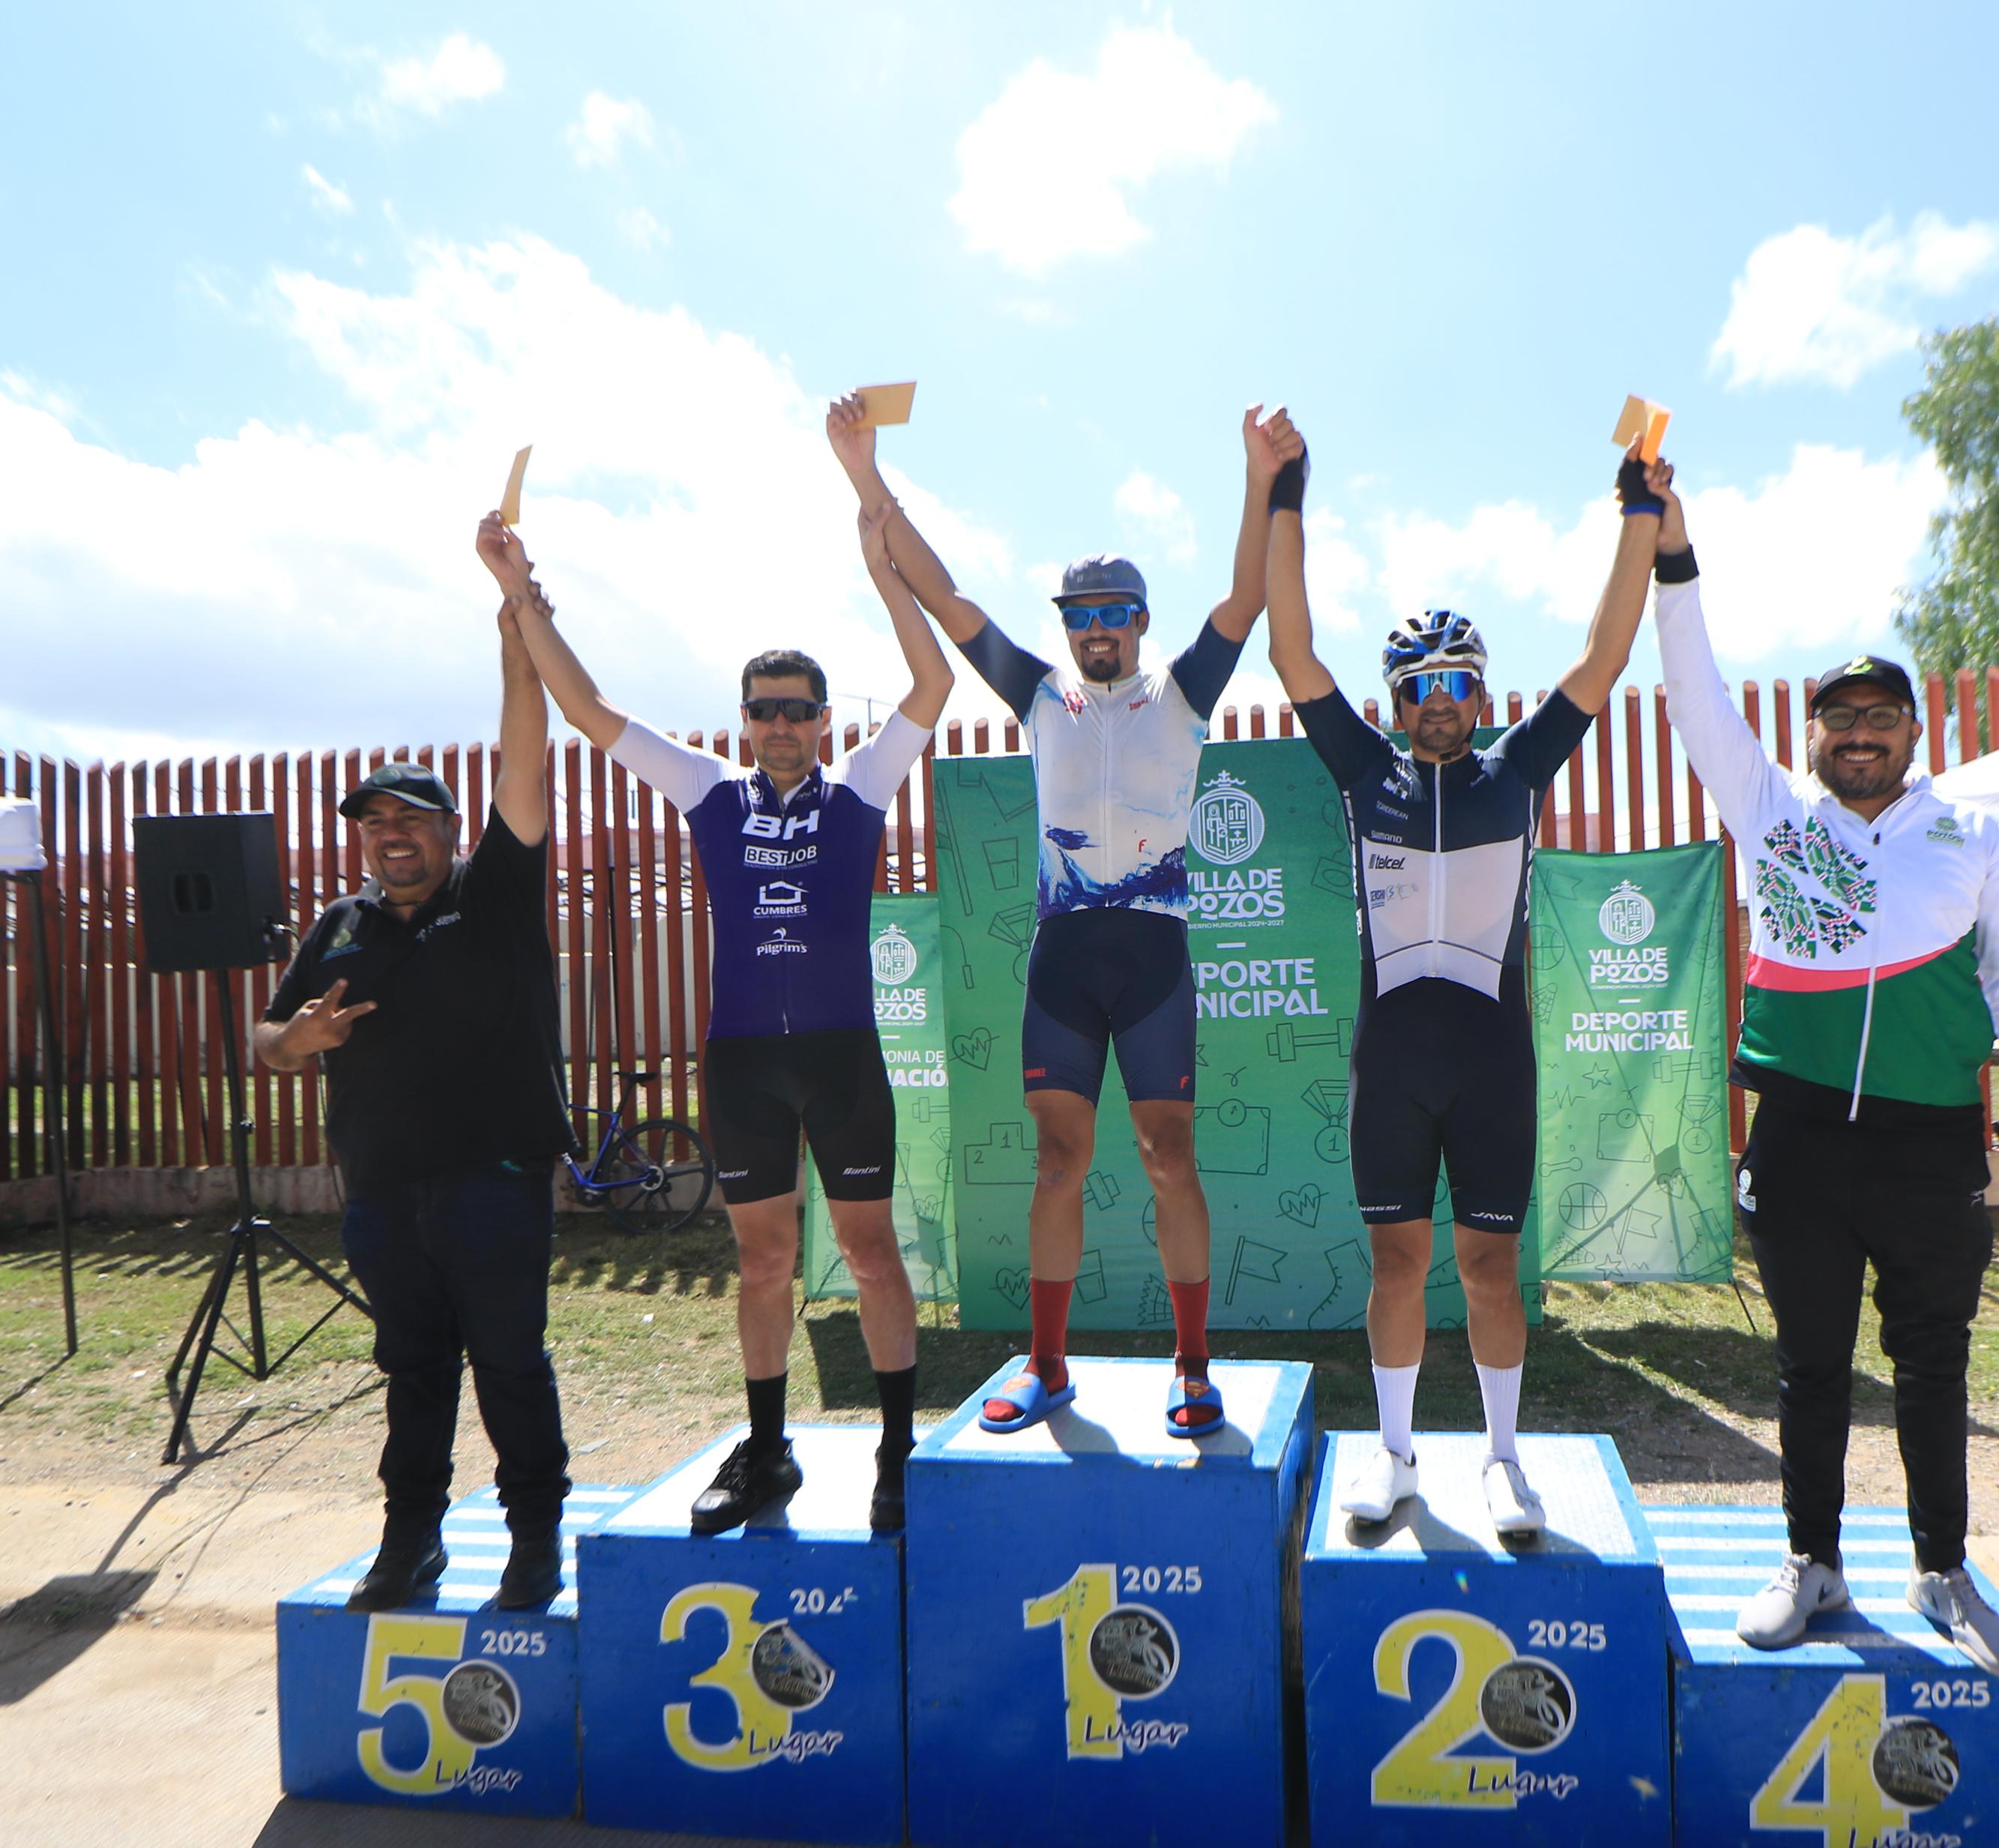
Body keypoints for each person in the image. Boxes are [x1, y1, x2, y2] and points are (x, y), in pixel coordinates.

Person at [479, 402, 953, 1534]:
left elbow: (932, 688)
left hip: (840, 1058)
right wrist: (518, 595)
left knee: (874, 1255)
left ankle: (896, 1450)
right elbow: (590, 711)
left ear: (826, 719)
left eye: (799, 710)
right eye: (765, 712)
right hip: (741, 1062)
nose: (782, 725)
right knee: (762, 1264)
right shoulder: (710, 790)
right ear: (744, 723)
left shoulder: (860, 789)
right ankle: (770, 1449)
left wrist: (883, 567)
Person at [1644, 460, 1999, 1676]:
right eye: (1838, 720)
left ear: (1912, 732)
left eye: (1879, 717)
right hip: (1799, 1141)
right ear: (1815, 738)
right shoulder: (1773, 816)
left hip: (1931, 1140)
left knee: (1933, 1361)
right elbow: (1691, 699)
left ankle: (1941, 1568)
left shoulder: (1969, 834)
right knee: (1809, 1366)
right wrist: (1672, 557)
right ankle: (1812, 1559)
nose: (1858, 734)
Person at [833, 407, 1282, 1439]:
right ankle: (1047, 1363)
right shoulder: (1040, 697)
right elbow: (947, 601)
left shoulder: (1181, 695)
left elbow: (1247, 598)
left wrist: (1256, 478)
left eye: (1114, 610)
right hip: (1065, 961)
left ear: (1140, 620)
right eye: (1080, 612)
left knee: (1171, 1155)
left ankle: (1193, 1363)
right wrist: (866, 471)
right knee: (1058, 1164)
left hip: (1155, 955)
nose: (1096, 627)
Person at [1261, 412, 1665, 1538]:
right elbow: (1294, 651)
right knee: (1396, 1262)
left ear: (1482, 695)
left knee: (1489, 1268)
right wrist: (1286, 492)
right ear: (1396, 700)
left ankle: (1501, 1460)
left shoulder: (1517, 769)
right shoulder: (1362, 771)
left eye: (1458, 679)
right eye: (1419, 681)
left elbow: (1603, 659)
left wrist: (1638, 516)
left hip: (1492, 1057)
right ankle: (1394, 1460)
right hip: (1391, 1058)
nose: (1439, 696)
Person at [256, 590, 574, 1612]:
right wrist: (298, 1039)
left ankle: (533, 1539)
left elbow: (523, 762)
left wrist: (516, 646)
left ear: (448, 829)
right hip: (384, 1190)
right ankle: (411, 1542)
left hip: (498, 1176)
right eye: (373, 822)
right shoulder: (341, 926)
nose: (392, 835)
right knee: (414, 1370)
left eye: (411, 819)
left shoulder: (492, 894)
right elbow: (264, 1038)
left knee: (510, 1363)